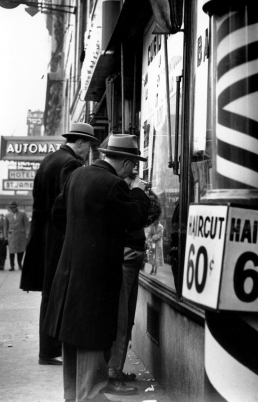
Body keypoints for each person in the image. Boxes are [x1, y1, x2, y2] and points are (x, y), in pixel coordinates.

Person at [43, 134, 150, 402]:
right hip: (95, 279)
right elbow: (135, 217)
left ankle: (73, 396)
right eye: (133, 165)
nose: (133, 171)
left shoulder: (77, 175)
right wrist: (138, 190)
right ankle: (89, 397)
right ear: (126, 163)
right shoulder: (115, 185)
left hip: (69, 275)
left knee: (73, 346)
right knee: (91, 345)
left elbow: (58, 214)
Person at [20, 122, 99, 366]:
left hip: (43, 237)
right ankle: (50, 350)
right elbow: (68, 205)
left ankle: (49, 349)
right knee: (58, 294)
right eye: (89, 147)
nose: (89, 153)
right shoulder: (70, 163)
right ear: (81, 142)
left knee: (49, 293)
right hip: (57, 238)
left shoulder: (49, 160)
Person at [108, 173, 161, 395]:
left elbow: (151, 214)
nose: (135, 179)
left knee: (127, 319)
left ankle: (116, 370)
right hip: (125, 261)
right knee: (121, 320)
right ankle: (112, 373)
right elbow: (133, 218)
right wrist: (138, 193)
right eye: (132, 176)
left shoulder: (130, 194)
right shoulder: (119, 192)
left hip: (132, 260)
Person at [4, 202, 30, 271]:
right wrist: (5, 236)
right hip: (11, 236)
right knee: (11, 251)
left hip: (21, 235)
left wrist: (27, 233)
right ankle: (12, 266)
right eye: (11, 208)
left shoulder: (22, 214)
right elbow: (5, 226)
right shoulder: (7, 215)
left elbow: (26, 224)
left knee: (20, 250)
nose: (13, 209)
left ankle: (20, 264)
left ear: (16, 207)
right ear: (10, 208)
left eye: (14, 207)